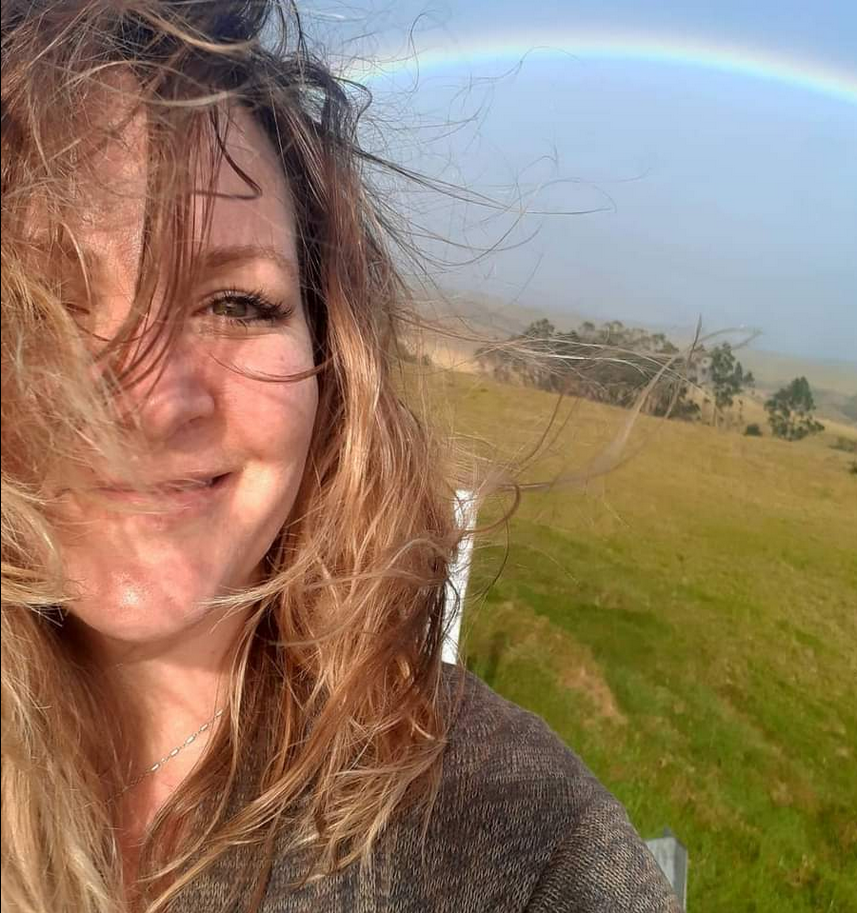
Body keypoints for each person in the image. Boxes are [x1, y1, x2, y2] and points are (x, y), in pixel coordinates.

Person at [1, 2, 683, 911]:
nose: (154, 401)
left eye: (237, 303)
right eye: (49, 307)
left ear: (334, 363)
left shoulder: (520, 849)